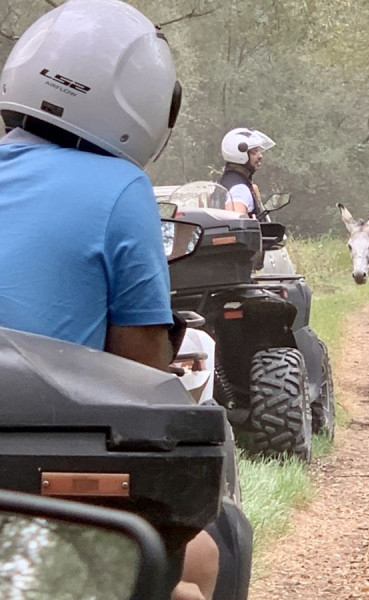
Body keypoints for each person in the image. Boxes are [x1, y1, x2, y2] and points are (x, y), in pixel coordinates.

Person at [0, 1, 216, 598]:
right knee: (200, 561)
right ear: (145, 103)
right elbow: (137, 375)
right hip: (39, 484)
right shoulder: (122, 189)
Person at [219, 127, 275, 216]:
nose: (260, 156)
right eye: (254, 151)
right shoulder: (239, 189)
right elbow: (235, 223)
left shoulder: (226, 182)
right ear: (240, 154)